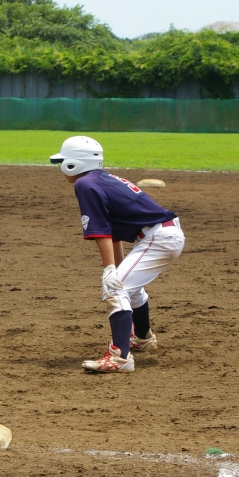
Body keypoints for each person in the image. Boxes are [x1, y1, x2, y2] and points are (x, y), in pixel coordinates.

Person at [50, 136, 185, 373]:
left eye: (63, 161)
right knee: (125, 285)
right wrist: (117, 267)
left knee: (114, 288)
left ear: (74, 164)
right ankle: (142, 338)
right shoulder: (101, 179)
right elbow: (112, 230)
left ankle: (120, 357)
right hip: (164, 234)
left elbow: (101, 231)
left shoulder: (85, 184)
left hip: (159, 238)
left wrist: (109, 269)